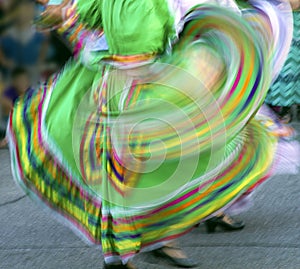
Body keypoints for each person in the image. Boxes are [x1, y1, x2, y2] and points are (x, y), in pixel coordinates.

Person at [6, 1, 298, 269]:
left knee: (121, 178)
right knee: (158, 172)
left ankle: (124, 251)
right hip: (138, 91)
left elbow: (84, 13)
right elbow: (138, 50)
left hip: (109, 87)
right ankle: (146, 245)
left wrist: (61, 15)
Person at [265, 0, 300, 122]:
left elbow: (294, 3)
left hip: (291, 21)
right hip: (277, 20)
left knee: (290, 66)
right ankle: (278, 108)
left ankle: (283, 108)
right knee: (279, 65)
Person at [0, 67, 32, 148]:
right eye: (20, 81)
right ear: (14, 82)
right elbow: (8, 104)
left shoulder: (31, 92)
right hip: (8, 123)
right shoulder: (9, 92)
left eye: (25, 80)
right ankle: (8, 139)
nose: (23, 83)